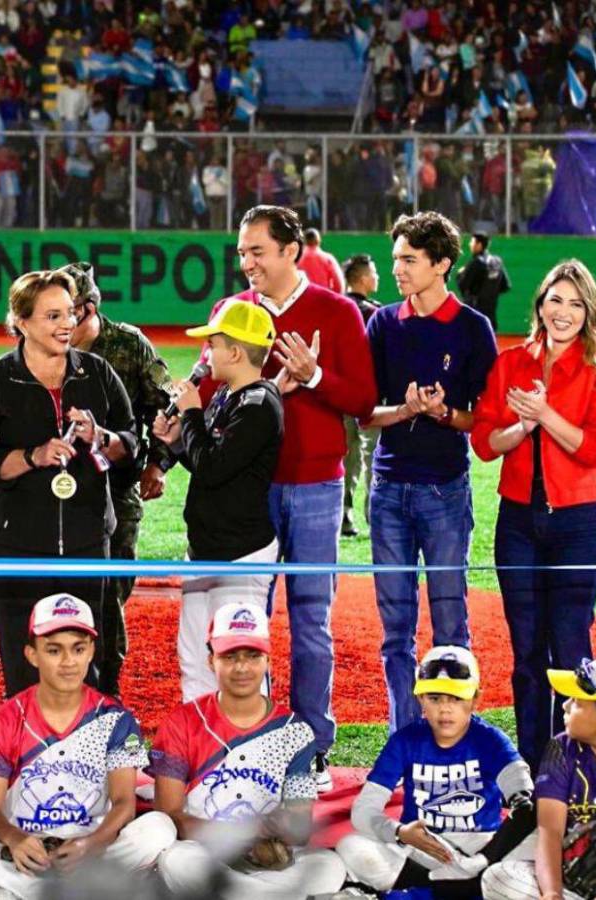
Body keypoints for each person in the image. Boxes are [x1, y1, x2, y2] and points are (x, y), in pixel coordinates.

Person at [197, 205, 377, 791]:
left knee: (311, 620)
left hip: (318, 486)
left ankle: (311, 745)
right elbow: (203, 387)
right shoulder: (232, 313)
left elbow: (365, 403)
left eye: (257, 251)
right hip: (247, 493)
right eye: (242, 252)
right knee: (242, 622)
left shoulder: (337, 310)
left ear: (291, 251)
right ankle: (248, 740)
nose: (247, 263)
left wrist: (317, 377)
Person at [470, 260, 596, 769]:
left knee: (569, 649)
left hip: (579, 525)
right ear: (540, 304)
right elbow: (484, 443)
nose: (562, 312)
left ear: (589, 312)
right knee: (525, 655)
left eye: (575, 303)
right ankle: (531, 763)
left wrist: (545, 416)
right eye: (554, 300)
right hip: (518, 522)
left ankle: (576, 763)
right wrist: (521, 426)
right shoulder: (511, 363)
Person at [0, 594, 177, 898]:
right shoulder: (5, 719)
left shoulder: (115, 717)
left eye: (78, 649)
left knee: (158, 828)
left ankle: (35, 887)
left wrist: (92, 844)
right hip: (28, 845)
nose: (68, 662)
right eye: (54, 650)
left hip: (92, 845)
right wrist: (15, 839)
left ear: (91, 650)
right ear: (31, 654)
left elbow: (123, 803)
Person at [0, 269, 136, 697]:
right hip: (12, 542)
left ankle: (82, 752)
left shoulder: (96, 373)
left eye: (71, 313)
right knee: (22, 658)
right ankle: (26, 752)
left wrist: (103, 438)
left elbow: (131, 443)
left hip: (85, 536)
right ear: (21, 322)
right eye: (53, 316)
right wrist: (32, 456)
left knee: (82, 658)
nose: (67, 325)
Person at [361, 212, 497, 734]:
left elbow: (485, 420)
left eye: (409, 260)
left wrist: (443, 414)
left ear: (441, 264)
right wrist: (406, 411)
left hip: (444, 489)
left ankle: (455, 736)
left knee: (449, 624)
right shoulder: (383, 323)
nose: (397, 269)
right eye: (395, 258)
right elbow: (364, 412)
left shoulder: (472, 329)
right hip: (388, 488)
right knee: (395, 630)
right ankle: (403, 739)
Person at [150, 602, 347, 898]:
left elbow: (300, 825)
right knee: (176, 860)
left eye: (253, 655)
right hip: (203, 853)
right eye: (230, 656)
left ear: (268, 660)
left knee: (331, 867)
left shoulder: (296, 732)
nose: (241, 667)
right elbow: (169, 817)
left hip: (268, 862)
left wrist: (283, 827)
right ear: (210, 660)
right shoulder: (181, 722)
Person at [151, 299, 283, 701]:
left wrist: (190, 416)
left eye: (213, 345)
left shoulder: (259, 404)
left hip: (240, 552)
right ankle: (202, 750)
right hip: (208, 547)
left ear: (236, 352)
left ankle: (249, 753)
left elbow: (213, 466)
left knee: (241, 662)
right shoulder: (229, 396)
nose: (206, 355)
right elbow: (212, 464)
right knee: (194, 656)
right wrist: (178, 440)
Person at [337, 646, 536, 898]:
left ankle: (428, 889)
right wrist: (400, 833)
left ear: (476, 699)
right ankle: (456, 887)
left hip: (481, 848)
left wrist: (484, 858)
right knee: (351, 847)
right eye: (434, 698)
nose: (445, 709)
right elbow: (363, 811)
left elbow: (526, 804)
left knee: (537, 840)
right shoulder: (405, 741)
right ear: (420, 699)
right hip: (422, 849)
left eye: (456, 698)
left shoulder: (491, 740)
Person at [63, 261, 173, 697]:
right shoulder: (44, 346)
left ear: (87, 308)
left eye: (64, 311)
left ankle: (106, 692)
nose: (56, 320)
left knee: (110, 595)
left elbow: (166, 409)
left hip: (117, 490)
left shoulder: (128, 345)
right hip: (60, 492)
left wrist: (157, 464)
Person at [481, 655, 596, 900]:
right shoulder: (561, 749)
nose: (565, 705)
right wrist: (552, 893)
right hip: (573, 868)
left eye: (577, 702)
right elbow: (550, 830)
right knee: (497, 878)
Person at [340, 253, 382, 538]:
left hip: (340, 395)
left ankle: (343, 516)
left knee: (346, 457)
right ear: (364, 279)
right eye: (375, 272)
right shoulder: (376, 313)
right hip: (371, 397)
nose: (377, 277)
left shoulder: (336, 308)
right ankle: (375, 515)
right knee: (374, 456)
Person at [455, 233, 511, 332]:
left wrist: (461, 274)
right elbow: (505, 286)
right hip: (491, 315)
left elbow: (462, 285)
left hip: (475, 315)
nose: (470, 244)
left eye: (472, 242)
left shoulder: (476, 263)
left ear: (479, 245)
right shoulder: (496, 262)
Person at [296, 228, 345, 294]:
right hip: (323, 298)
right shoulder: (328, 258)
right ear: (318, 240)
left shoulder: (296, 259)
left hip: (302, 299)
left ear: (304, 241)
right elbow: (339, 285)